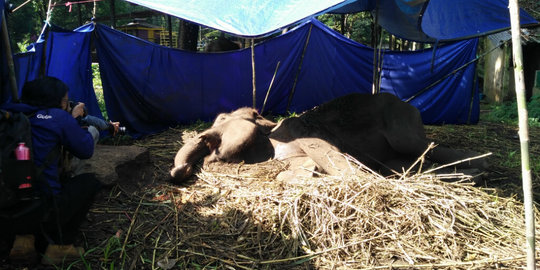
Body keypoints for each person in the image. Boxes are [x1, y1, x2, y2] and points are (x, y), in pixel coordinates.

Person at [0, 76, 102, 265]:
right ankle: (59, 247)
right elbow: (86, 149)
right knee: (90, 183)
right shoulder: (56, 117)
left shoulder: (9, 114)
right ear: (58, 101)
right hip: (41, 210)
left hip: (5, 211)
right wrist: (74, 119)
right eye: (65, 100)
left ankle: (22, 240)